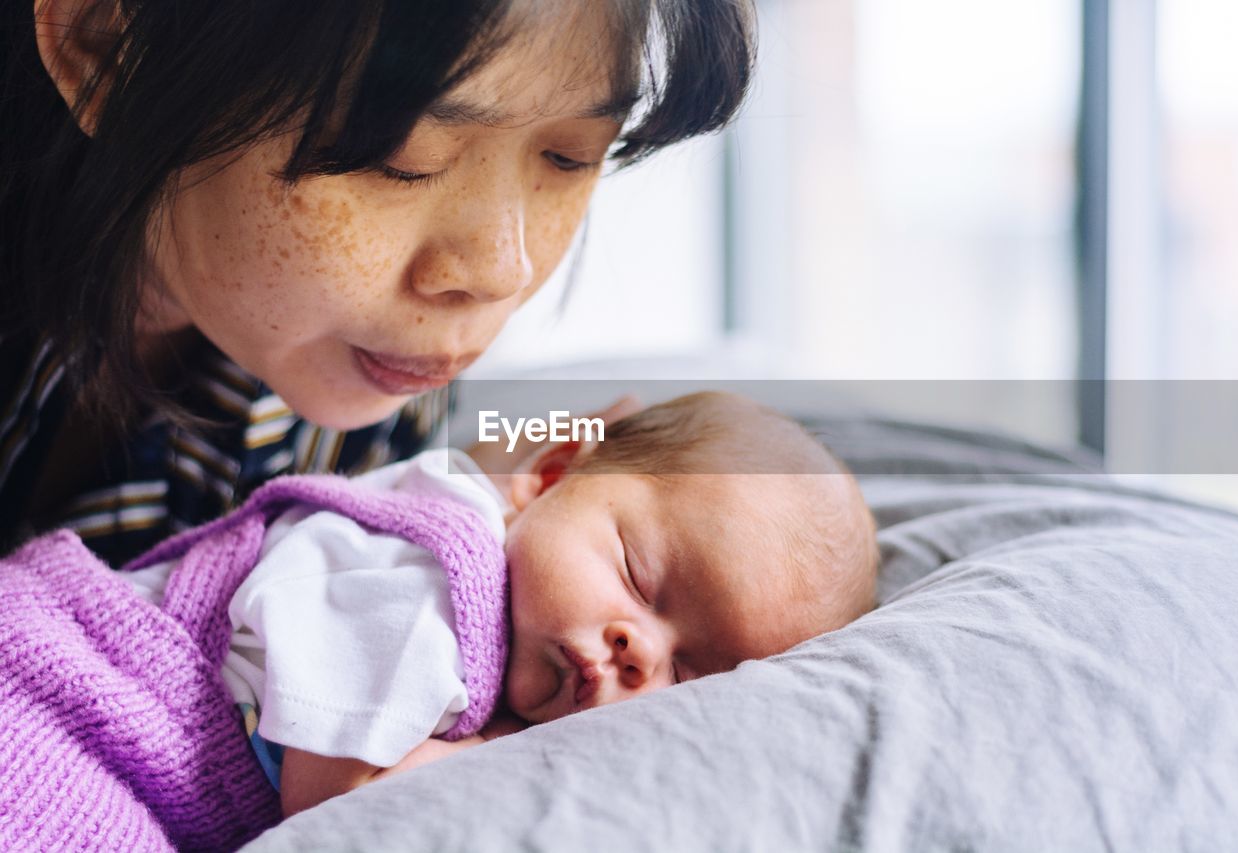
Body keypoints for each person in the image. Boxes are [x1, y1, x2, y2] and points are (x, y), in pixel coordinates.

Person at [0, 0, 756, 565]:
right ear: (106, 49)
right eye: (404, 158)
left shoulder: (356, 375)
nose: (500, 270)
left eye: (569, 157)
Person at [0, 392, 879, 849]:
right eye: (639, 578)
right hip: (55, 702)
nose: (638, 649)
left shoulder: (504, 577)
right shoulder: (436, 578)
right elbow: (335, 808)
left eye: (690, 673)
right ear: (553, 472)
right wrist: (490, 746)